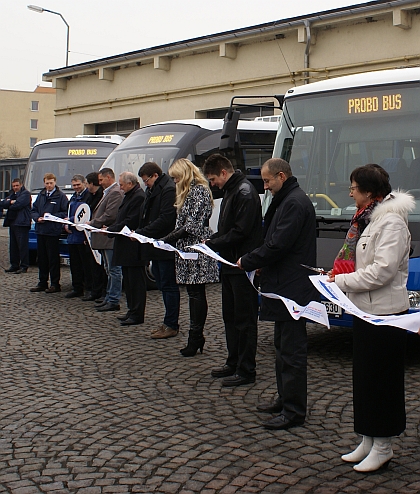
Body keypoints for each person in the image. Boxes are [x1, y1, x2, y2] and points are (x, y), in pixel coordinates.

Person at [327, 164, 415, 472]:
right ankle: (367, 437)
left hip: (386, 315)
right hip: (364, 311)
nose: (350, 193)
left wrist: (341, 282)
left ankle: (384, 445)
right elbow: (358, 262)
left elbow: (382, 272)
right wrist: (334, 276)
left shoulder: (390, 222)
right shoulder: (366, 219)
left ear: (368, 191)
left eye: (353, 188)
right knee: (364, 379)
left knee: (383, 381)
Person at [238, 158, 319, 428]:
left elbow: (278, 245)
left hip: (292, 288)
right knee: (281, 348)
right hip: (283, 284)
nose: (265, 186)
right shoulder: (287, 199)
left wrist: (249, 261)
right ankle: (285, 399)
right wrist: (263, 266)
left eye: (267, 181)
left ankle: (294, 410)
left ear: (281, 176)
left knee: (292, 352)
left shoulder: (294, 203)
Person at [203, 154, 262, 386]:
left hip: (242, 265)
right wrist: (212, 241)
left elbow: (241, 231)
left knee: (245, 319)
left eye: (213, 178)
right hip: (228, 264)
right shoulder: (231, 190)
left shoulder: (244, 192)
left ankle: (247, 369)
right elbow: (227, 228)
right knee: (230, 316)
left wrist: (213, 243)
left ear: (224, 173)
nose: (212, 183)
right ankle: (233, 361)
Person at [161, 158, 219, 356]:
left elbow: (192, 225)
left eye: (176, 177)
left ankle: (196, 336)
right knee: (193, 294)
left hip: (196, 249)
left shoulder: (199, 191)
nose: (174, 182)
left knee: (196, 294)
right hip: (187, 248)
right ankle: (195, 336)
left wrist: (168, 238)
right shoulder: (191, 192)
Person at [136, 162, 180, 339]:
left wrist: (143, 232)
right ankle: (167, 322)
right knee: (162, 284)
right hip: (155, 244)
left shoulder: (168, 189)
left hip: (164, 244)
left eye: (146, 181)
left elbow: (166, 218)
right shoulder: (154, 189)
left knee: (168, 285)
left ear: (155, 175)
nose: (145, 184)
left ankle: (171, 323)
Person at [107, 172, 146, 326]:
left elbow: (131, 220)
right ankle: (131, 309)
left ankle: (137, 312)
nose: (120, 188)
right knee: (129, 281)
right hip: (124, 244)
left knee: (136, 282)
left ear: (130, 184)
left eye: (122, 185)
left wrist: (112, 229)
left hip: (133, 246)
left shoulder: (138, 196)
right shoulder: (130, 195)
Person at [89, 168, 123, 312]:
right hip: (103, 237)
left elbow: (110, 215)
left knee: (114, 270)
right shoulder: (108, 192)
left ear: (109, 177)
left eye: (101, 180)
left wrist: (93, 223)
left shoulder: (114, 192)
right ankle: (109, 297)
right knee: (108, 269)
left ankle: (113, 299)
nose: (100, 182)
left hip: (109, 237)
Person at [30, 173, 68, 293]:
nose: (49, 185)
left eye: (51, 183)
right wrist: (37, 218)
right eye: (47, 183)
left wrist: (51, 217)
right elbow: (34, 210)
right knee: (42, 258)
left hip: (53, 231)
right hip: (41, 230)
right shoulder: (41, 195)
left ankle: (55, 284)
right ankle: (42, 282)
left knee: (53, 259)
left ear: (55, 182)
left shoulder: (60, 196)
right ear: (44, 183)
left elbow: (64, 212)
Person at [64, 175, 92, 298]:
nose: (76, 187)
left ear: (84, 183)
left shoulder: (88, 196)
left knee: (86, 265)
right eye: (74, 185)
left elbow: (84, 215)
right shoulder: (73, 198)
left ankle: (89, 288)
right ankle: (77, 288)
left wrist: (69, 220)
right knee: (74, 265)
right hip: (72, 236)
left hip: (82, 236)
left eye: (78, 185)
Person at [81, 172, 106, 302]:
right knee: (91, 264)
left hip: (98, 233)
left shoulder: (102, 195)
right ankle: (93, 289)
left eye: (86, 183)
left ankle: (101, 290)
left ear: (91, 183)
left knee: (100, 265)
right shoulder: (90, 196)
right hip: (89, 234)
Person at [0, 178, 31, 274]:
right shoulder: (12, 194)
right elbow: (2, 203)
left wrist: (10, 203)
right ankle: (14, 265)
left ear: (21, 185)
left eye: (17, 185)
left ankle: (24, 265)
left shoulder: (25, 194)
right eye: (13, 186)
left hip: (22, 222)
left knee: (22, 246)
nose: (15, 188)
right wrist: (10, 202)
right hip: (12, 222)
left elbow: (18, 205)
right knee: (13, 246)